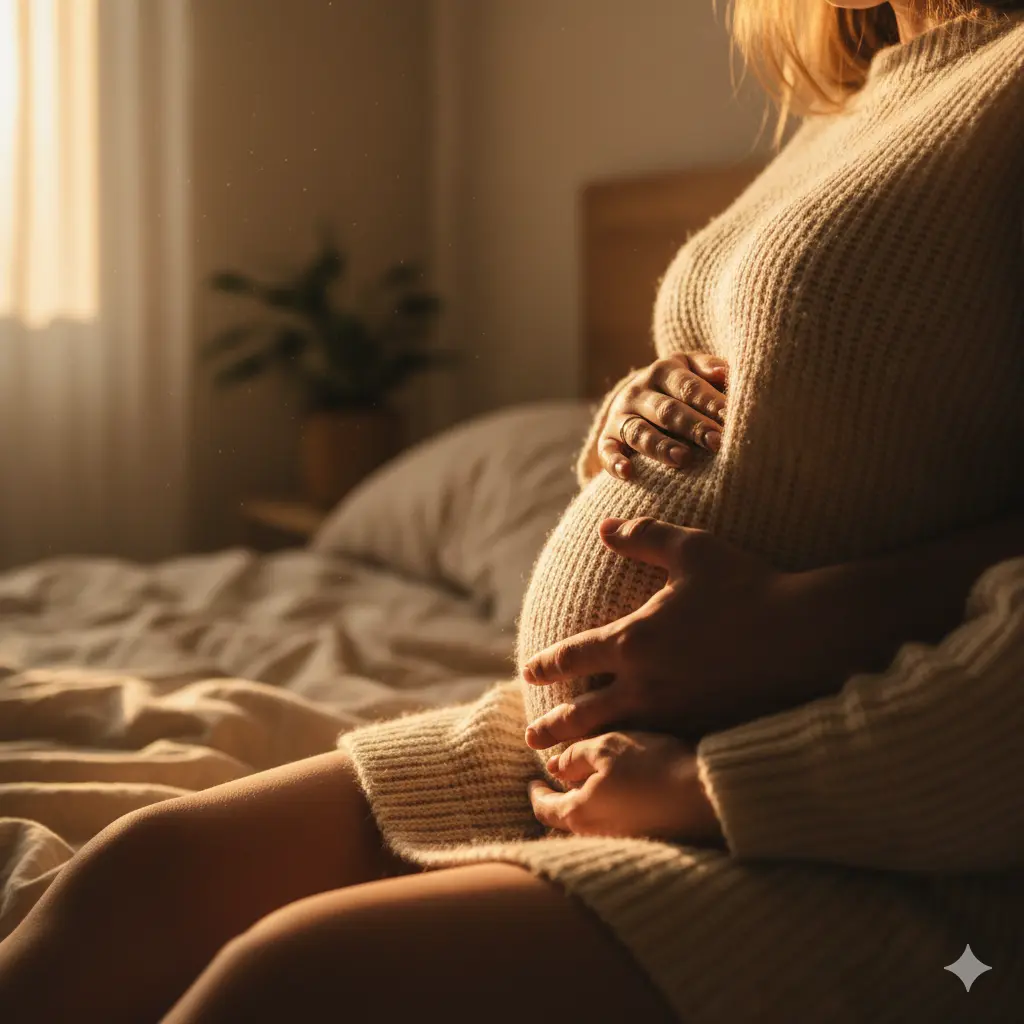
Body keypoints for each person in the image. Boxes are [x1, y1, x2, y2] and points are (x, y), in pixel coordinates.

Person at [2, 2, 1024, 1021]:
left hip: (881, 829)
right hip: (602, 747)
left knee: (293, 981)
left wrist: (718, 775)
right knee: (136, 878)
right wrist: (643, 411)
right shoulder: (868, 91)